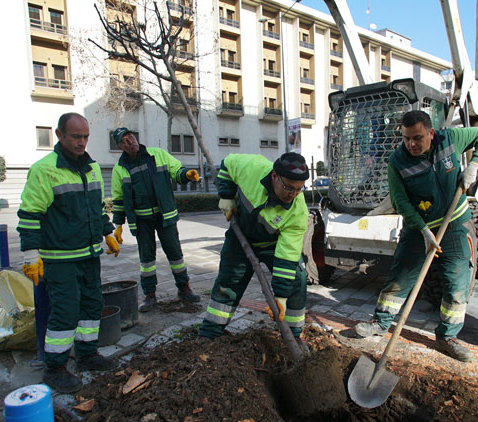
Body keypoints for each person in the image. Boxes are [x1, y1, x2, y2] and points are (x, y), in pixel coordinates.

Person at [354, 110, 478, 363]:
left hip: (454, 223)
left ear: (431, 133)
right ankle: (380, 323)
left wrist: (475, 163)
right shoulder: (398, 161)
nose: (412, 144)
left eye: (418, 137)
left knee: (456, 281)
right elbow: (400, 202)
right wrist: (423, 230)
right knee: (400, 276)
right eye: (407, 138)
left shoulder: (450, 139)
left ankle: (447, 337)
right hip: (419, 227)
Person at [18, 113, 121, 393]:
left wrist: (108, 232)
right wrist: (30, 253)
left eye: (85, 136)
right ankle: (55, 368)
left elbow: (97, 208)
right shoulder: (44, 170)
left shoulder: (92, 168)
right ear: (59, 135)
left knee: (90, 306)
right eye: (76, 136)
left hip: (89, 255)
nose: (81, 142)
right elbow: (30, 215)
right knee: (65, 312)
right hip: (60, 258)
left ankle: (87, 355)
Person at [198, 153, 309, 348]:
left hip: (272, 245)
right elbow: (227, 164)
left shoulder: (298, 212)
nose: (293, 194)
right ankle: (210, 333)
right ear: (274, 176)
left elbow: (287, 255)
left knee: (296, 279)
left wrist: (281, 296)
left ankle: (293, 336)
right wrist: (226, 196)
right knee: (228, 281)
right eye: (288, 187)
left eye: (299, 190)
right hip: (240, 238)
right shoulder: (252, 168)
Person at [110, 127, 201, 311]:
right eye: (124, 141)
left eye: (131, 137)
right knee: (147, 261)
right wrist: (118, 226)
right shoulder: (119, 169)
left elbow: (176, 170)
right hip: (142, 221)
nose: (130, 142)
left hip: (164, 216)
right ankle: (150, 295)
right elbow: (118, 199)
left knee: (175, 255)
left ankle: (184, 288)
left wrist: (186, 175)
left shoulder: (157, 154)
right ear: (120, 146)